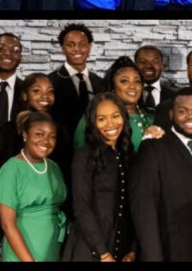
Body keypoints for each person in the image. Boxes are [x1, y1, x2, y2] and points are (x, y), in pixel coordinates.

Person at [130, 87, 192, 261]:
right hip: (173, 251)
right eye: (182, 111)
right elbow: (144, 210)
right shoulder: (153, 148)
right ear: (171, 115)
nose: (191, 116)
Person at [62, 93, 136, 262]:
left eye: (115, 116)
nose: (110, 124)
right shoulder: (84, 156)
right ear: (93, 123)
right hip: (91, 249)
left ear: (124, 117)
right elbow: (81, 207)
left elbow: (135, 207)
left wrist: (132, 249)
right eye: (101, 119)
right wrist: (103, 253)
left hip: (123, 252)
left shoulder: (129, 155)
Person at [0, 111, 67, 262]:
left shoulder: (54, 167)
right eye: (39, 134)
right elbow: (7, 224)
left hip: (51, 246)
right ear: (25, 135)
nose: (46, 141)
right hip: (22, 249)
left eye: (52, 136)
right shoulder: (11, 169)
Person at [73, 56, 162, 152]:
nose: (133, 86)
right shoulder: (94, 117)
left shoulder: (152, 116)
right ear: (112, 86)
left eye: (137, 81)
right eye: (124, 81)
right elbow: (82, 156)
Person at [0, 73, 72, 177]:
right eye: (36, 91)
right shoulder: (8, 130)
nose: (45, 96)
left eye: (50, 92)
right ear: (25, 95)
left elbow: (65, 170)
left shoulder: (60, 131)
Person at [48, 23, 104, 139]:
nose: (77, 49)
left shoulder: (101, 83)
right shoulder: (50, 82)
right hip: (62, 151)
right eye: (71, 45)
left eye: (82, 44)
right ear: (63, 49)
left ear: (89, 47)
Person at [0, 33, 24, 132]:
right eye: (2, 48)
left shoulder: (27, 90)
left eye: (15, 50)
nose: (8, 53)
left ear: (20, 58)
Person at [134, 45, 178, 112]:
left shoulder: (176, 95)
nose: (148, 66)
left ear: (162, 65)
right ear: (135, 66)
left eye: (155, 62)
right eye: (142, 62)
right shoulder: (126, 94)